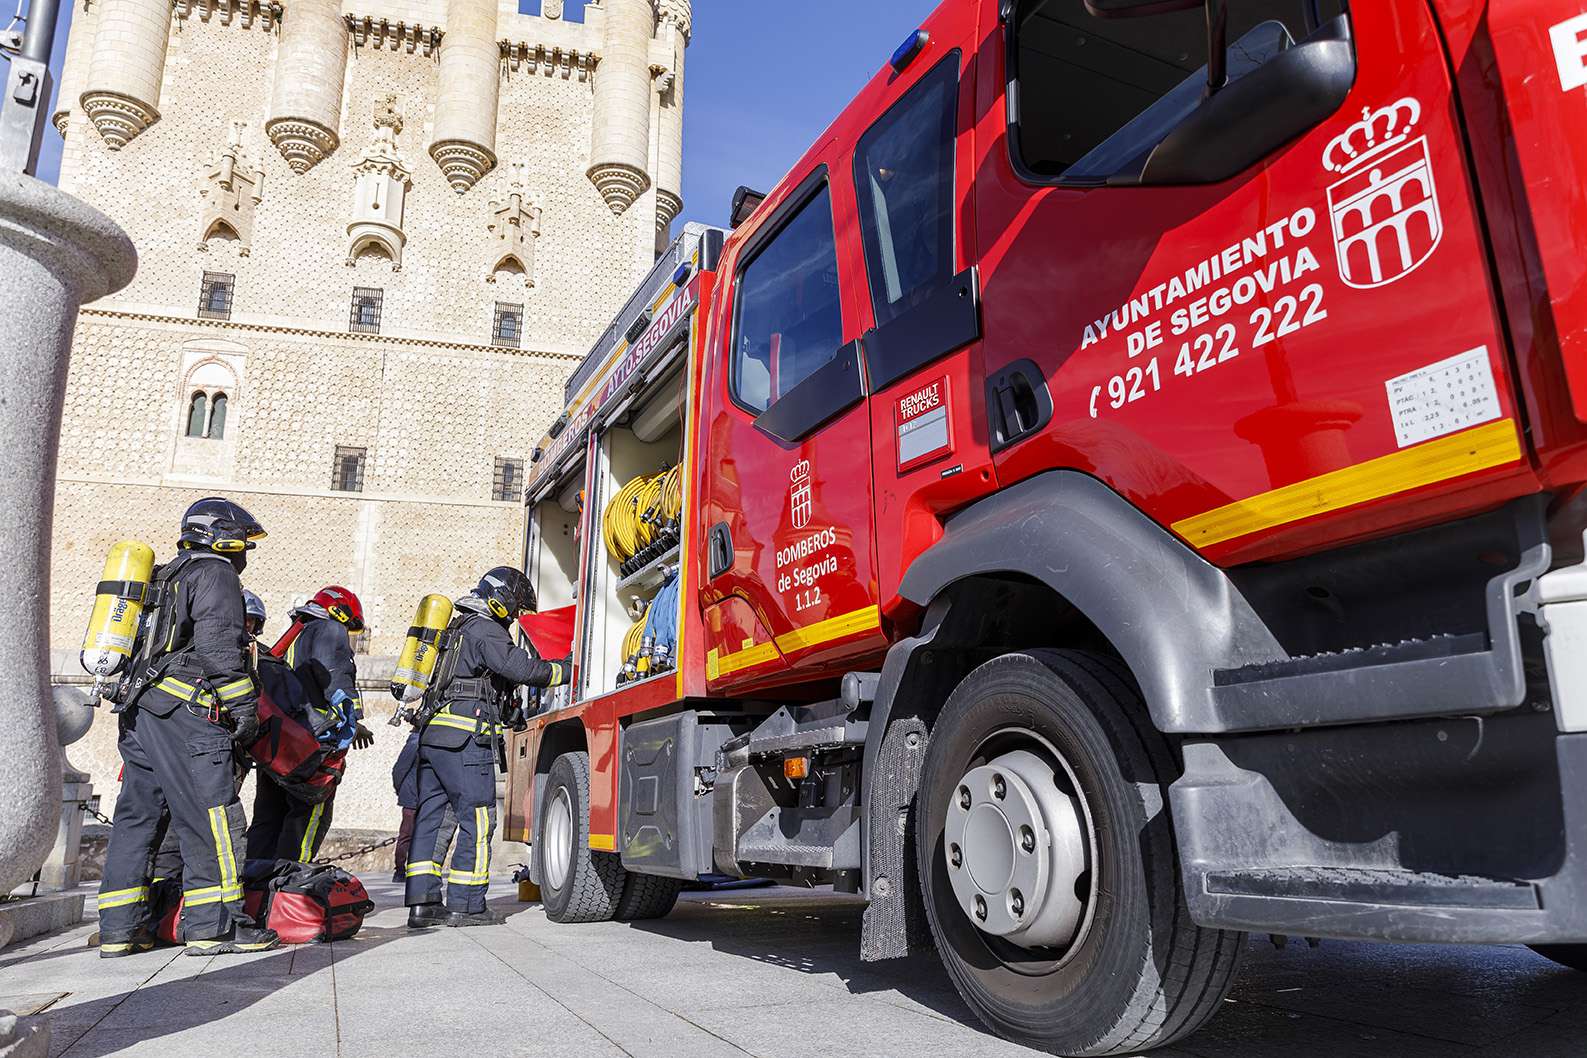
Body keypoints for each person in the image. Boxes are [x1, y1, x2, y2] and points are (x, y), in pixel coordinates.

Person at [97, 497, 278, 957]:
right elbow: (219, 644)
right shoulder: (214, 573)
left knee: (137, 820)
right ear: (221, 537)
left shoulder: (165, 576)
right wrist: (243, 707)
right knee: (211, 815)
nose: (244, 554)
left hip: (142, 714)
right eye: (241, 543)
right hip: (189, 715)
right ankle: (214, 926)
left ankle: (121, 929)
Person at [404, 567, 567, 928]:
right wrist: (566, 670)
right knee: (477, 819)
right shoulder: (486, 630)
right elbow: (521, 669)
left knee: (433, 819)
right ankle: (467, 904)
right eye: (515, 608)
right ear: (502, 599)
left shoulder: (457, 629)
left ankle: (423, 904)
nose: (513, 616)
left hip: (432, 739)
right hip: (464, 739)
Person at [245, 586, 372, 864]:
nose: (346, 630)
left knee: (267, 817)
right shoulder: (329, 629)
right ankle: (290, 886)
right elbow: (335, 677)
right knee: (308, 820)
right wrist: (355, 721)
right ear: (340, 611)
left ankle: (256, 888)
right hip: (314, 747)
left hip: (278, 744)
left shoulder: (294, 633)